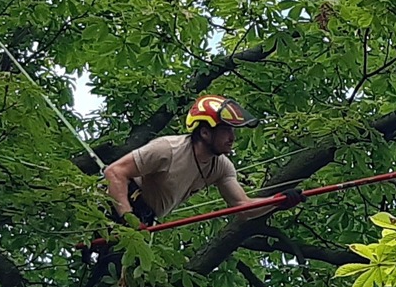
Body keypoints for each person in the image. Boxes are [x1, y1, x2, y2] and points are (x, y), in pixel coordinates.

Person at [103, 95, 305, 226]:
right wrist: (127, 218)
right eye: (226, 130)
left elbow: (243, 206)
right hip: (116, 206)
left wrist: (278, 201)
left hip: (143, 218)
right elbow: (114, 173)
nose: (232, 138)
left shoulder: (221, 166)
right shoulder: (168, 149)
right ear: (206, 132)